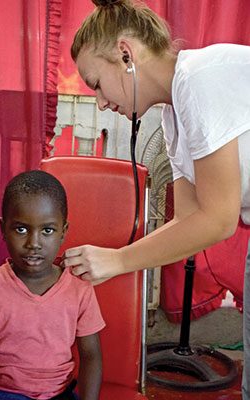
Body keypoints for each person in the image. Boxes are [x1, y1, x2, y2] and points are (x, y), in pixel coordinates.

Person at [62, 0, 250, 398]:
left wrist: (117, 261)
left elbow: (218, 220)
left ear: (126, 54)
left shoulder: (198, 80)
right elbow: (188, 220)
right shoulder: (173, 116)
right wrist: (113, 258)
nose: (99, 101)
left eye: (96, 83)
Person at [0, 170, 105, 400]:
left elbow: (91, 355)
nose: (34, 243)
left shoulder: (79, 289)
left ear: (63, 232)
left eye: (47, 230)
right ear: (3, 229)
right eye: (21, 229)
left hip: (61, 393)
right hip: (5, 394)